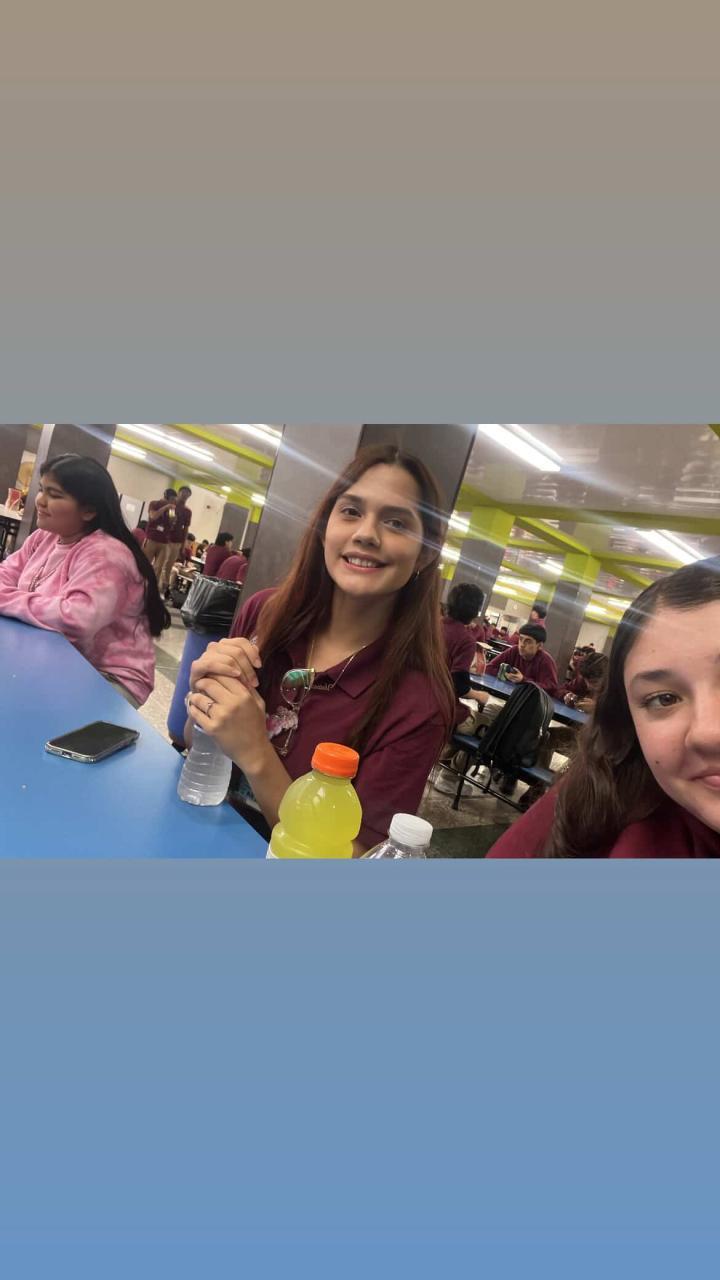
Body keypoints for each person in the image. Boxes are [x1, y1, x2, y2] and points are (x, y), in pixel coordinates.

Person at [184, 444, 456, 853]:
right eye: (351, 511)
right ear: (326, 526)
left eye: (396, 522)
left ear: (426, 552)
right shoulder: (265, 614)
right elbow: (195, 744)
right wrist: (204, 698)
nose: (366, 534)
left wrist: (256, 753)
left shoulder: (419, 705)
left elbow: (358, 856)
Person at [488, 557, 720, 856]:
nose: (708, 734)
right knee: (543, 738)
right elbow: (561, 690)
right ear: (628, 721)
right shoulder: (591, 804)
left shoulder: (546, 663)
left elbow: (549, 687)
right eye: (664, 698)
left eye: (527, 641)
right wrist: (569, 697)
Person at [0, 454, 170, 705]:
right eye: (41, 489)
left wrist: (6, 599)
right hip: (59, 656)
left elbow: (76, 620)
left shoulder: (107, 554)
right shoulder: (45, 537)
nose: (41, 500)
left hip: (106, 677)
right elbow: (6, 573)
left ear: (89, 510)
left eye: (54, 495)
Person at [441, 582, 485, 725]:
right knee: (485, 722)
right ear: (476, 611)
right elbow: (459, 686)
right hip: (440, 707)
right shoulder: (466, 640)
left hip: (408, 696)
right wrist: (480, 696)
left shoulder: (431, 625)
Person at [484, 624, 559, 697]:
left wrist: (523, 680)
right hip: (506, 694)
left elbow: (551, 689)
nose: (522, 645)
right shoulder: (514, 650)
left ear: (539, 646)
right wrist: (506, 675)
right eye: (520, 639)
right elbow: (489, 667)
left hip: (529, 700)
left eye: (528, 641)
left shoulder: (546, 660)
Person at [143, 487, 177, 585]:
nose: (173, 501)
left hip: (164, 542)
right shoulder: (154, 503)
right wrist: (165, 507)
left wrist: (173, 516)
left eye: (174, 500)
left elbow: (172, 523)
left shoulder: (171, 509)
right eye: (172, 499)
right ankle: (140, 585)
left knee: (158, 568)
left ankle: (152, 588)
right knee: (145, 564)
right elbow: (153, 516)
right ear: (166, 496)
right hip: (151, 539)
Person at [163, 486, 193, 595]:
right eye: (183, 493)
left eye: (187, 495)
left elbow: (186, 528)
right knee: (163, 564)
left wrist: (183, 545)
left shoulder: (188, 511)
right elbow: (168, 520)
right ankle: (159, 586)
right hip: (166, 538)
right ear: (179, 493)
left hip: (177, 541)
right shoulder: (171, 505)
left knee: (169, 566)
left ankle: (163, 588)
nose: (184, 496)